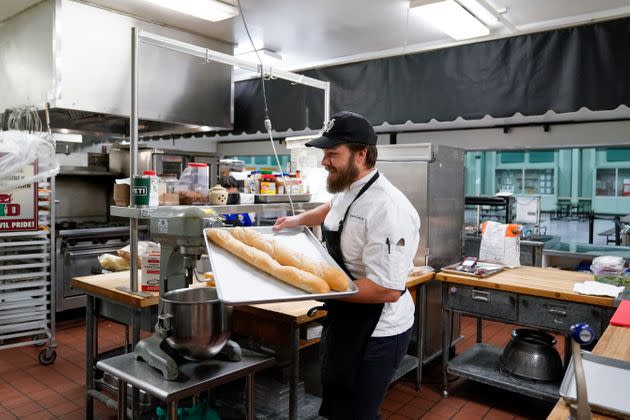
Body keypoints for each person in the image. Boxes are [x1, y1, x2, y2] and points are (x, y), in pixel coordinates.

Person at [273, 111, 420, 419]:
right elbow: (333, 209)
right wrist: (297, 220)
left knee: (358, 413)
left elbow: (386, 289)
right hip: (345, 317)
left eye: (331, 154)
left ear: (361, 154)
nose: (324, 161)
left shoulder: (388, 208)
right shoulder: (350, 187)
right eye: (324, 154)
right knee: (339, 403)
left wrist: (313, 288)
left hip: (378, 331)